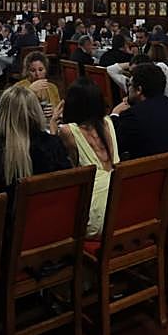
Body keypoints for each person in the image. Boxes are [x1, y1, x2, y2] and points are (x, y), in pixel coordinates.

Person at [0, 87, 71, 205]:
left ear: (2, 115)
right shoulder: (53, 146)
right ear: (36, 112)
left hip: (4, 221)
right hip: (49, 217)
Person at [55, 80, 120, 235]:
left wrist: (52, 124)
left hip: (94, 212)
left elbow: (56, 159)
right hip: (119, 205)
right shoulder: (109, 122)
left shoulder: (67, 131)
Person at [110, 64, 168, 161]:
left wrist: (114, 114)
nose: (128, 89)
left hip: (149, 171)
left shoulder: (133, 115)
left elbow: (113, 146)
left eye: (130, 85)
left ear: (139, 90)